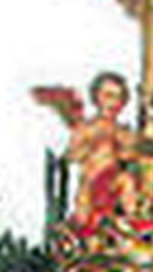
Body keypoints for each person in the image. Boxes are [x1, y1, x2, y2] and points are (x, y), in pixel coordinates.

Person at [32, 71, 138, 229]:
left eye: (118, 97)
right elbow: (72, 155)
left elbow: (132, 155)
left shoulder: (122, 130)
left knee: (126, 181)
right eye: (108, 96)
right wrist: (90, 146)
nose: (113, 103)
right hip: (92, 184)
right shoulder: (88, 128)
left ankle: (131, 220)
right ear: (97, 98)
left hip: (114, 186)